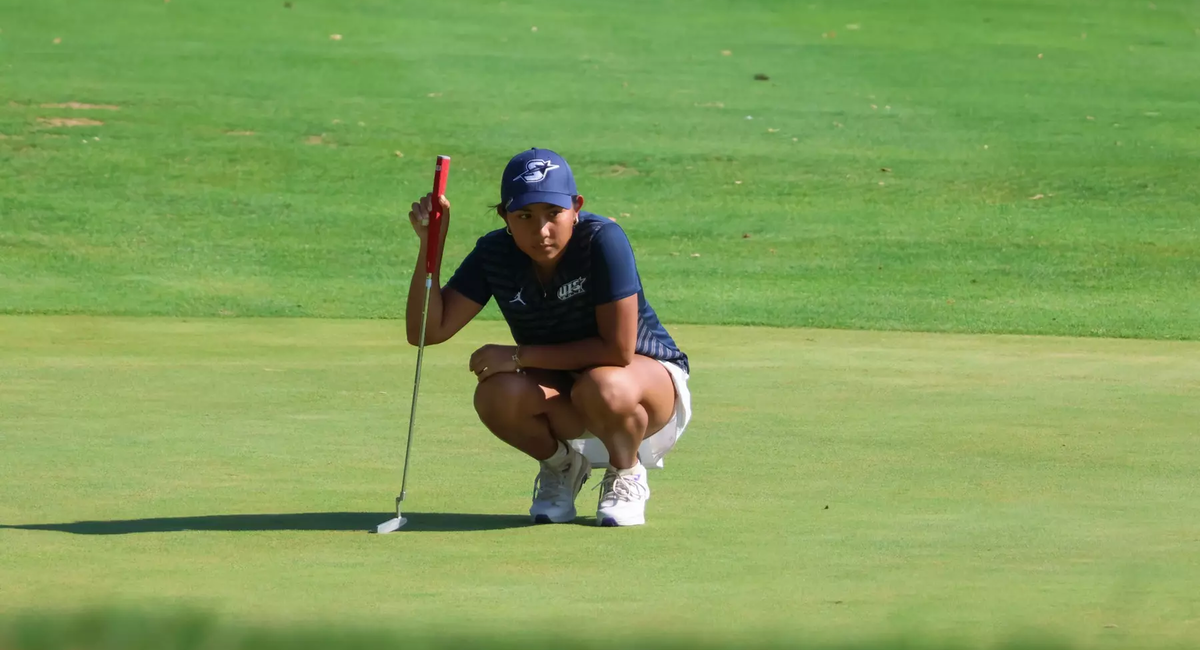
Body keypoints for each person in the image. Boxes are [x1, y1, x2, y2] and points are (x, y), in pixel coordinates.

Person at [404, 147, 692, 527]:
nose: (541, 231)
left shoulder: (603, 240)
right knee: (496, 394)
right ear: (505, 216)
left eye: (553, 214)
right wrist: (431, 244)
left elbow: (617, 351)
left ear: (576, 207)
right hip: (567, 388)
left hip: (641, 384)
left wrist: (519, 356)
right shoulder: (495, 252)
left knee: (602, 384)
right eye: (524, 216)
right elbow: (426, 332)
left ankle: (626, 473)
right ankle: (563, 467)